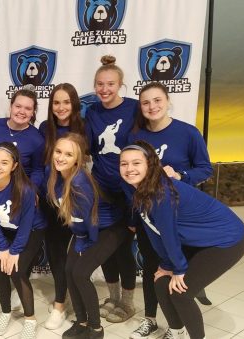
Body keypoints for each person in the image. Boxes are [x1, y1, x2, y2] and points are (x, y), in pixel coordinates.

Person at [119, 140, 244, 339]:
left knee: (181, 292)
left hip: (226, 240)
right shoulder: (140, 189)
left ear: (150, 165)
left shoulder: (161, 192)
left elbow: (168, 234)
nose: (129, 168)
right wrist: (167, 265)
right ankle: (177, 333)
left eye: (136, 163)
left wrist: (178, 268)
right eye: (124, 164)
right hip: (200, 239)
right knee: (161, 282)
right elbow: (155, 231)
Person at [128, 82, 213, 338]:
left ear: (167, 101)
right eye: (145, 102)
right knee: (152, 268)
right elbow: (130, 178)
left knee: (178, 271)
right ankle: (151, 319)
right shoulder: (136, 138)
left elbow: (205, 169)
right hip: (148, 216)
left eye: (157, 100)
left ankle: (180, 325)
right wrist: (133, 217)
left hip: (180, 217)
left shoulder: (188, 133)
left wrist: (180, 174)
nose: (152, 106)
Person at [47, 133, 130, 339]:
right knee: (69, 271)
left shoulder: (79, 181)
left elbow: (91, 219)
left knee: (81, 274)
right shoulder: (54, 175)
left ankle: (95, 328)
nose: (61, 157)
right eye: (58, 151)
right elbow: (75, 218)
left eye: (68, 154)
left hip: (105, 228)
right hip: (84, 230)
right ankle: (81, 322)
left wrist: (87, 242)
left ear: (77, 159)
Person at [0, 142, 46, 339]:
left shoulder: (26, 189)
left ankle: (30, 319)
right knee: (0, 267)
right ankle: (5, 312)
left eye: (4, 163)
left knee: (15, 269)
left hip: (30, 230)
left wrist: (14, 251)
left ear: (14, 166)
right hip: (4, 232)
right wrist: (3, 247)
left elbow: (26, 224)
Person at [85, 55, 138, 323]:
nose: (104, 90)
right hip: (101, 189)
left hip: (127, 191)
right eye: (99, 84)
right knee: (106, 247)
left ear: (120, 85)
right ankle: (113, 297)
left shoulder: (134, 108)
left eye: (110, 84)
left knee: (124, 247)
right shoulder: (92, 112)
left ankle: (128, 303)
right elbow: (89, 147)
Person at [0, 88, 45, 310]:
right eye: (18, 106)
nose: (22, 111)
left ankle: (18, 288)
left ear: (33, 113)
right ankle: (3, 290)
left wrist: (32, 191)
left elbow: (39, 170)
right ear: (11, 106)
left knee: (20, 255)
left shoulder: (37, 139)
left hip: (21, 199)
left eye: (28, 108)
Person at [38, 83, 87, 330]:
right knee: (56, 254)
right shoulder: (45, 128)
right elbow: (42, 166)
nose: (61, 107)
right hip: (51, 201)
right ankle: (60, 302)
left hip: (76, 200)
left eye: (66, 102)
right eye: (56, 102)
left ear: (74, 104)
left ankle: (72, 302)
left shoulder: (85, 128)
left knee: (76, 255)